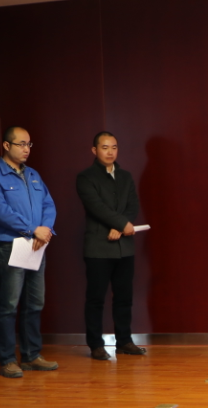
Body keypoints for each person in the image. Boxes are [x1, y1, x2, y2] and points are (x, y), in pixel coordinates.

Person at [0, 127, 59, 378]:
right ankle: (7, 359)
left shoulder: (33, 174)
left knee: (35, 303)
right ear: (6, 145)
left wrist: (45, 229)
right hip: (11, 245)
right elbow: (0, 211)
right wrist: (31, 229)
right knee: (9, 305)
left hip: (37, 245)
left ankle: (31, 355)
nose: (26, 149)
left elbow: (48, 204)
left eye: (29, 144)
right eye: (21, 144)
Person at [76, 131, 144, 360]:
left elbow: (133, 205)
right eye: (105, 147)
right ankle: (96, 344)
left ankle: (124, 341)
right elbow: (96, 207)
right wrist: (121, 223)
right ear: (94, 150)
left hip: (124, 246)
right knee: (96, 298)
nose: (110, 152)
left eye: (114, 147)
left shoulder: (125, 176)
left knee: (124, 297)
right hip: (98, 247)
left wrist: (122, 226)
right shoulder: (85, 177)